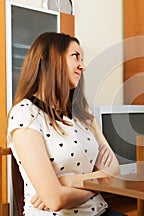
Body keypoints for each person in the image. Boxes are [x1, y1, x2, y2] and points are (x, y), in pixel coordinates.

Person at [7, 32, 125, 216]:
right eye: (75, 56)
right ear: (49, 59)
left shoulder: (83, 114)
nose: (83, 66)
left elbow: (114, 171)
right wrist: (101, 183)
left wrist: (67, 182)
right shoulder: (25, 114)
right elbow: (55, 200)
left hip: (100, 212)